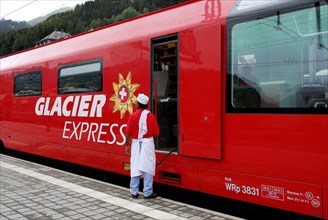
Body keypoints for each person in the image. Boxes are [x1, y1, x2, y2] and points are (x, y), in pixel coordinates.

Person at [125, 93, 160, 199]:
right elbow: (156, 132)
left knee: (135, 166)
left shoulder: (133, 116)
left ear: (138, 105)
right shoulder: (151, 117)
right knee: (148, 167)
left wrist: (127, 145)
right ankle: (147, 193)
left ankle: (134, 192)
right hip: (147, 144)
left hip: (136, 144)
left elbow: (128, 133)